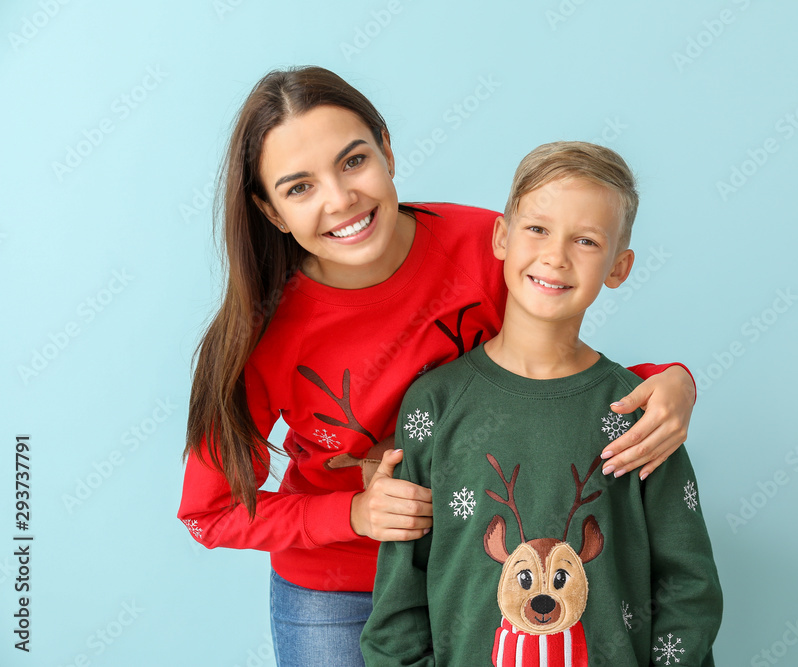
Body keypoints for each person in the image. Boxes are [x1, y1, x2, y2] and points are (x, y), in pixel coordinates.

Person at [178, 66, 699, 667]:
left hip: (478, 570)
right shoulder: (262, 336)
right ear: (270, 212)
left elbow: (552, 364)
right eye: (298, 188)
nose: (340, 198)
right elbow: (207, 514)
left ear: (387, 149)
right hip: (337, 591)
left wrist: (671, 378)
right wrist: (351, 513)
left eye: (353, 162)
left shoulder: (487, 242)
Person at [361, 141, 722, 666]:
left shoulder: (640, 415)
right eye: (537, 228)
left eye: (586, 240)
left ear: (619, 267)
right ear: (502, 237)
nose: (556, 255)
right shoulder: (434, 405)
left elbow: (687, 583)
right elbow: (399, 594)